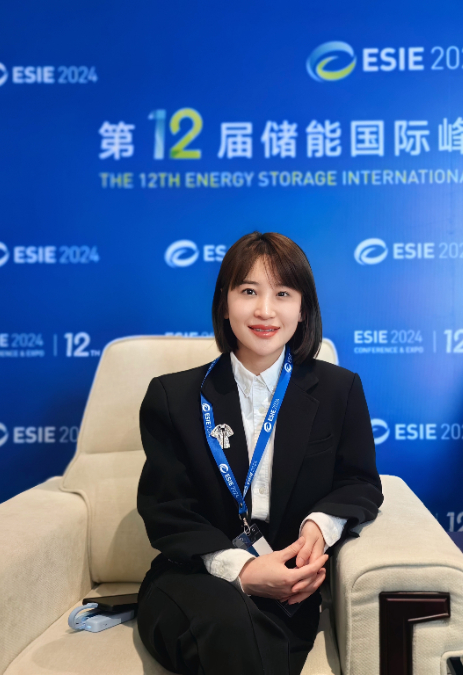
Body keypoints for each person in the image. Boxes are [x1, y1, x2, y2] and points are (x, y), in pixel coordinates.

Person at [136, 231, 383, 675]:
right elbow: (167, 510)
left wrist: (320, 525)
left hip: (289, 589)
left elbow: (360, 482)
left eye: (283, 294)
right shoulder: (173, 396)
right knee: (231, 626)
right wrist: (244, 573)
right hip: (194, 577)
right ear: (224, 303)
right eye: (248, 291)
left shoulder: (338, 390)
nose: (265, 310)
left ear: (303, 309)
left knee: (259, 637)